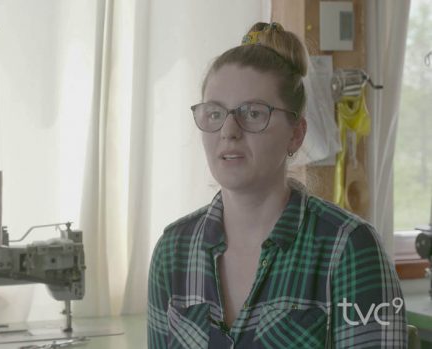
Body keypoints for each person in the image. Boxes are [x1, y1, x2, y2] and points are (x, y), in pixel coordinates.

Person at [147, 22, 407, 348]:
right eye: (214, 114)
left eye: (253, 113)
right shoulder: (173, 251)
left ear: (296, 134)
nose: (229, 130)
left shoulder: (350, 248)